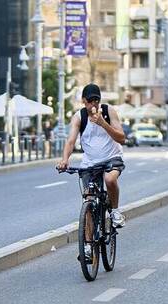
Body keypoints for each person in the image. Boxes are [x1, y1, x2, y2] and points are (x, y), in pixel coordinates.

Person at [57, 83, 126, 230]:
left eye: (96, 100)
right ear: (83, 101)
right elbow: (70, 142)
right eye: (90, 101)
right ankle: (88, 248)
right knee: (88, 200)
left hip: (112, 157)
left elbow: (121, 138)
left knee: (110, 179)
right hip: (90, 162)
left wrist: (103, 124)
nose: (93, 104)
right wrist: (65, 160)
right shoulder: (79, 117)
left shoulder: (108, 111)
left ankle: (115, 211)